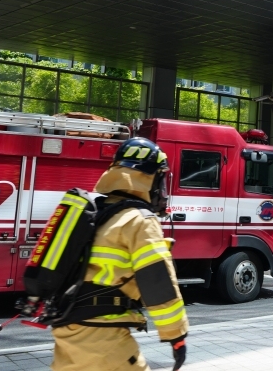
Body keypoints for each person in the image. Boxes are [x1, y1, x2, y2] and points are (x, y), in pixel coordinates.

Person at [51, 137, 189, 371]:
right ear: (148, 177)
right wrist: (176, 335)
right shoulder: (140, 220)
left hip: (68, 330)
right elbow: (158, 283)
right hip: (103, 339)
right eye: (160, 178)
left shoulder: (96, 211)